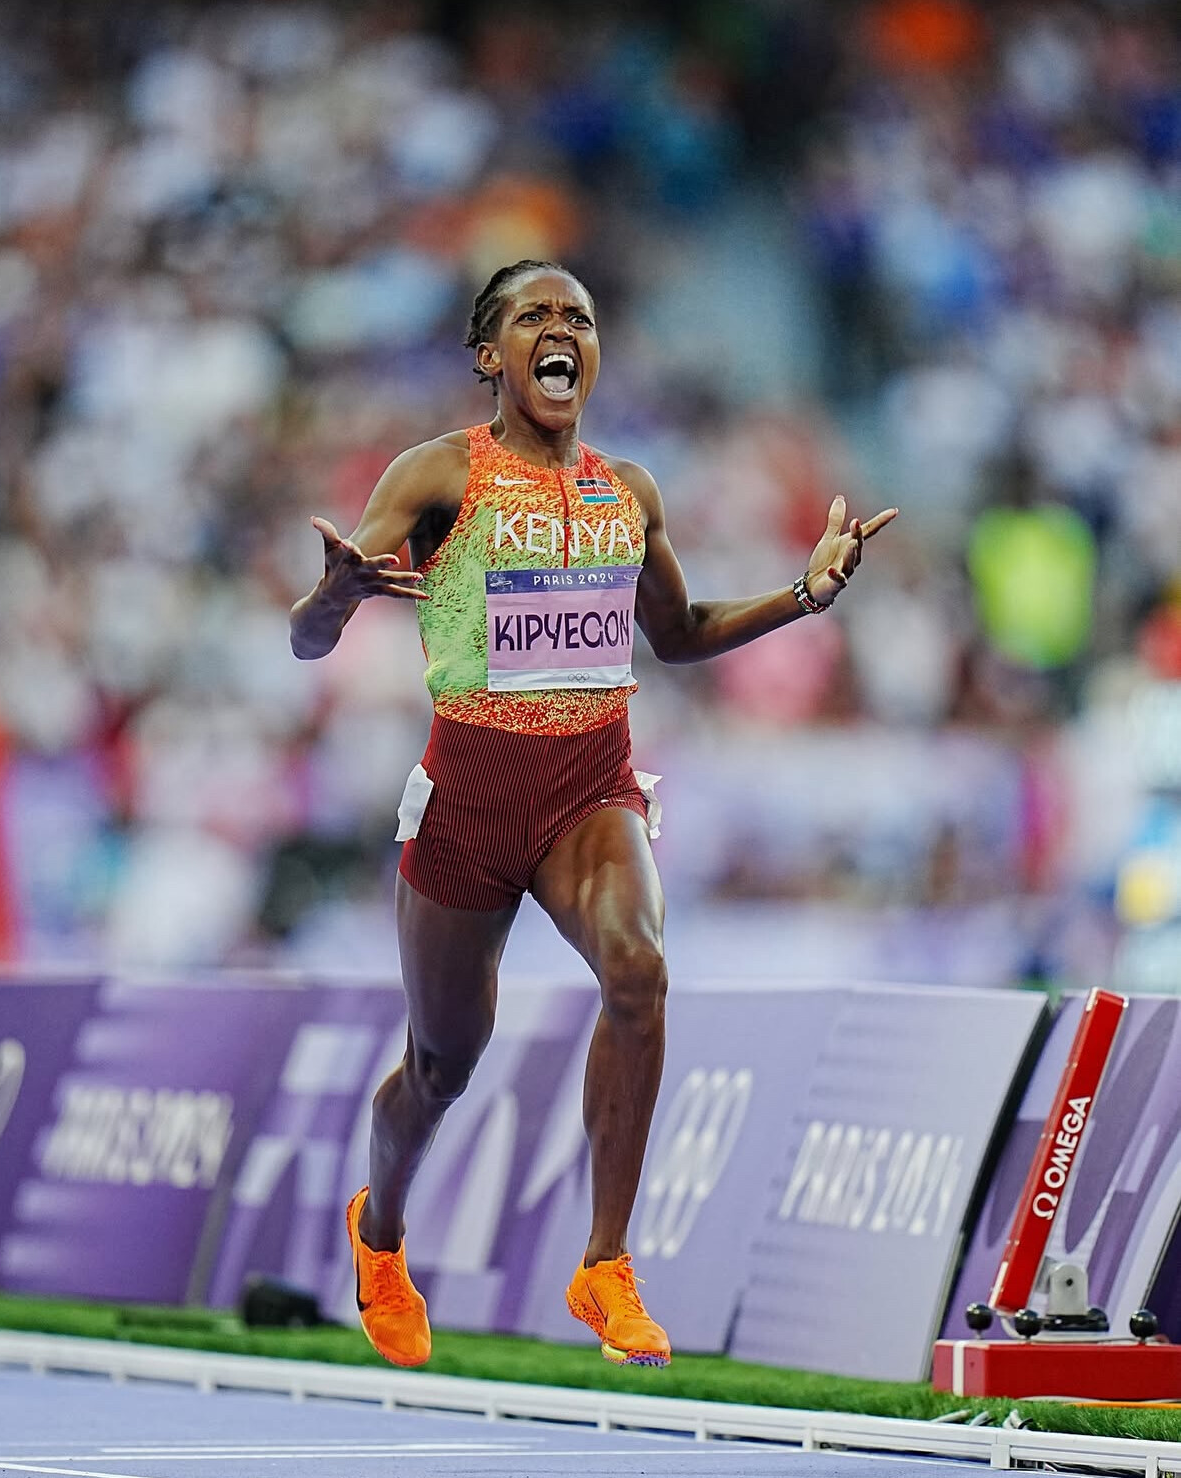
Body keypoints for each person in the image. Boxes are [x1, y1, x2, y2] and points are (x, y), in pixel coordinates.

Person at [290, 259, 897, 1369]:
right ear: (492, 356)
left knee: (638, 967)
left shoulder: (630, 491)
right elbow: (308, 637)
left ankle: (605, 1264)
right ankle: (379, 1233)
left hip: (590, 788)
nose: (562, 328)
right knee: (442, 1063)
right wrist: (334, 594)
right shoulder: (437, 474)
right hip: (467, 803)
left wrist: (805, 594)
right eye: (536, 315)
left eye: (580, 315)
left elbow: (680, 632)